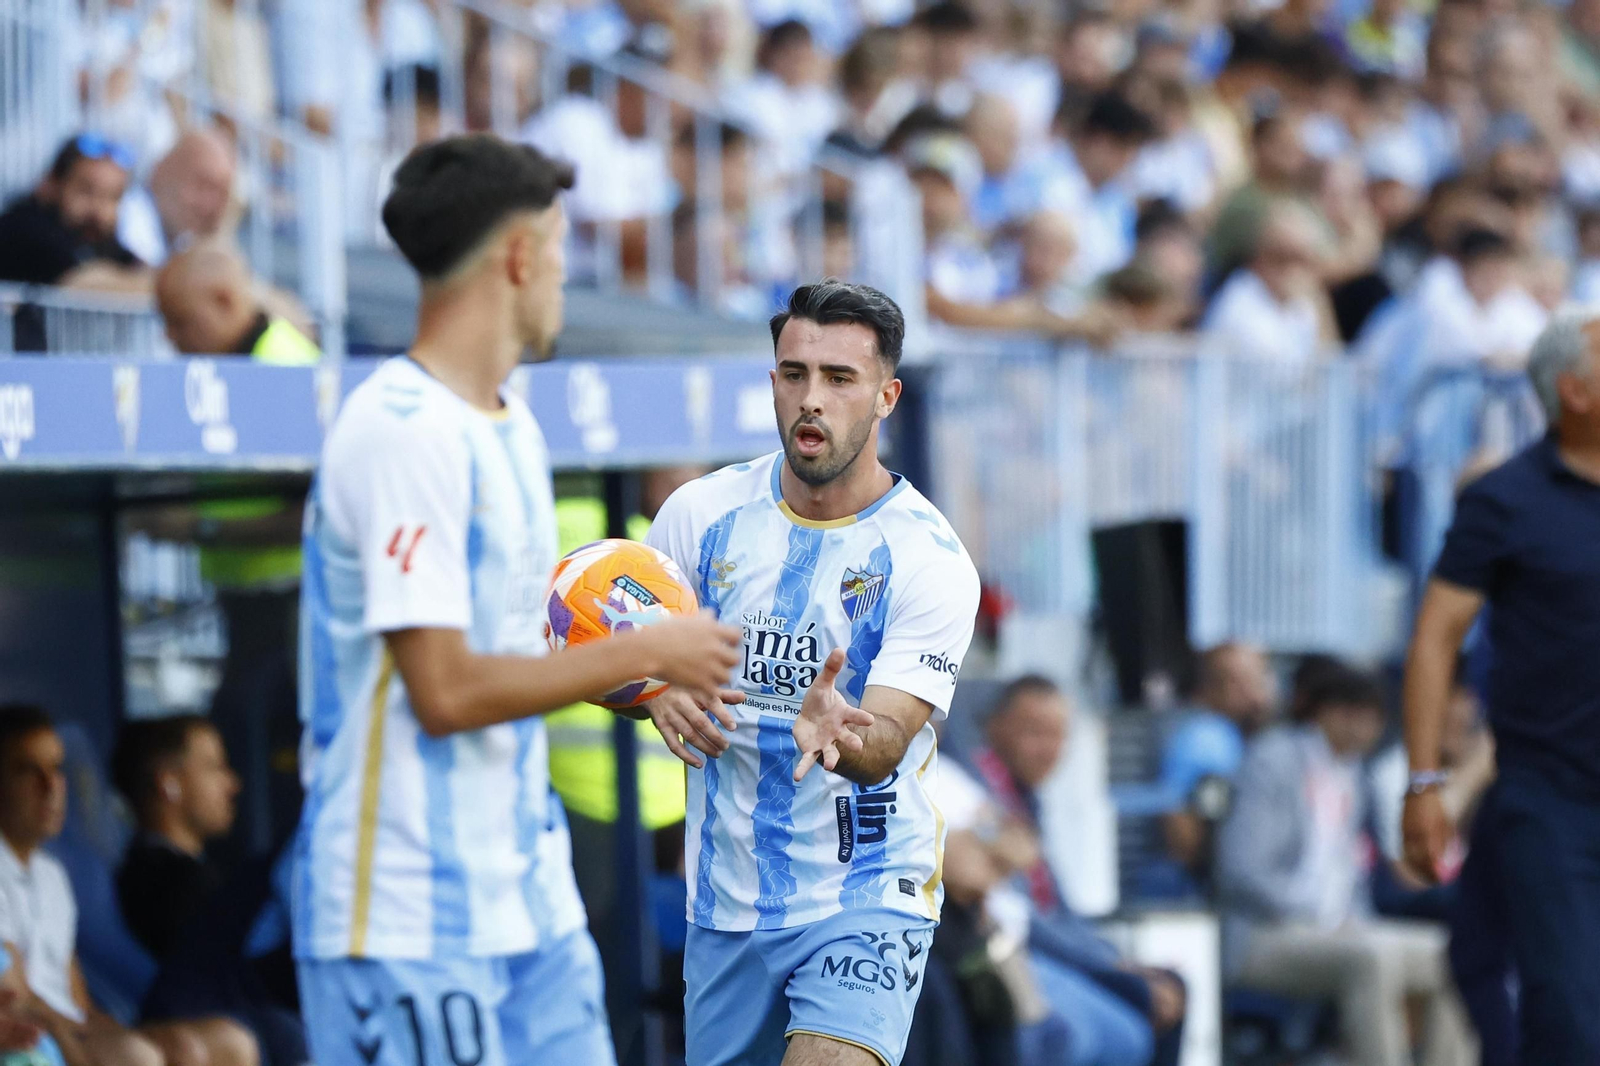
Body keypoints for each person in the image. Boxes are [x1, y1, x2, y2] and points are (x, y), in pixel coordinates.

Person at [292, 134, 742, 1066]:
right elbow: (446, 692)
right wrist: (647, 651)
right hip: (404, 911)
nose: (567, 279)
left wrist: (643, 686)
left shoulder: (514, 429)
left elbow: (513, 652)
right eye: (562, 250)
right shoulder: (401, 432)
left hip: (529, 895)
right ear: (518, 256)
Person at [639, 280, 982, 1066]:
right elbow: (619, 658)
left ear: (886, 397)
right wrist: (653, 687)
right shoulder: (698, 516)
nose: (811, 399)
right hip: (725, 903)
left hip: (865, 892)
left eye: (839, 378)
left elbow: (887, 738)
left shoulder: (928, 559)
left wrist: (844, 737)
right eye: (794, 374)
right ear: (772, 383)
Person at [1403, 309, 1600, 1064]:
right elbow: (1434, 639)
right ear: (1574, 391)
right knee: (1570, 1018)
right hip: (1552, 800)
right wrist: (1425, 782)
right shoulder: (1505, 500)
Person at [1216, 666, 1473, 1066]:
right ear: (1329, 713)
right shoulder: (1274, 759)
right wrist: (1316, 913)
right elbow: (1242, 869)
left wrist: (1347, 918)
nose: (1368, 729)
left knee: (1455, 954)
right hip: (1266, 929)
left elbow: (1350, 872)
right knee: (1372, 958)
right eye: (1359, 716)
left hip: (1340, 925)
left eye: (1374, 718)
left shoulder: (1353, 772)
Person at [0, 705, 259, 1066]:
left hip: (76, 1026)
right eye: (27, 771)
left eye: (57, 769)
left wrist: (113, 1029)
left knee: (232, 1041)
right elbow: (17, 1000)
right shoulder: (158, 876)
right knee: (139, 1056)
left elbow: (76, 998)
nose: (50, 786)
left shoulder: (52, 874)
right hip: (36, 1037)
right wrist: (81, 1048)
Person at [970, 677, 1186, 1066]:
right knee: (1139, 1011)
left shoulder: (1026, 799)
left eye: (1059, 736)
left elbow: (1060, 907)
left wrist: (1112, 958)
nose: (1049, 749)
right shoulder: (979, 794)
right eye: (1034, 732)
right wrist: (1107, 966)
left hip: (1055, 950)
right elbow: (1024, 919)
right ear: (995, 727)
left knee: (1172, 985)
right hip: (1020, 953)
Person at [110, 716, 240, 959]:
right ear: (169, 784)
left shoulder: (137, 871)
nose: (232, 784)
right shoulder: (178, 888)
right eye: (214, 767)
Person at [1157, 643, 1277, 897]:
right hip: (1213, 887)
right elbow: (1184, 833)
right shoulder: (1206, 738)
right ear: (1207, 689)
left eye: (1255, 680)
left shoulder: (1261, 735)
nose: (1250, 693)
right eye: (1234, 682)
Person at [0, 135, 147, 295]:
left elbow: (139, 268)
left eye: (113, 197)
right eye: (86, 191)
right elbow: (79, 285)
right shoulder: (25, 228)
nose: (99, 209)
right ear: (51, 184)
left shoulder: (97, 238)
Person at [155, 243, 320, 363]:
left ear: (225, 301)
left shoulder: (281, 363)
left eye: (180, 322)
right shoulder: (258, 356)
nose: (169, 335)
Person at [119, 128, 239, 267]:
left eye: (221, 193)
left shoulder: (182, 238)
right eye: (201, 185)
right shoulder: (122, 218)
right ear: (163, 171)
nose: (209, 204)